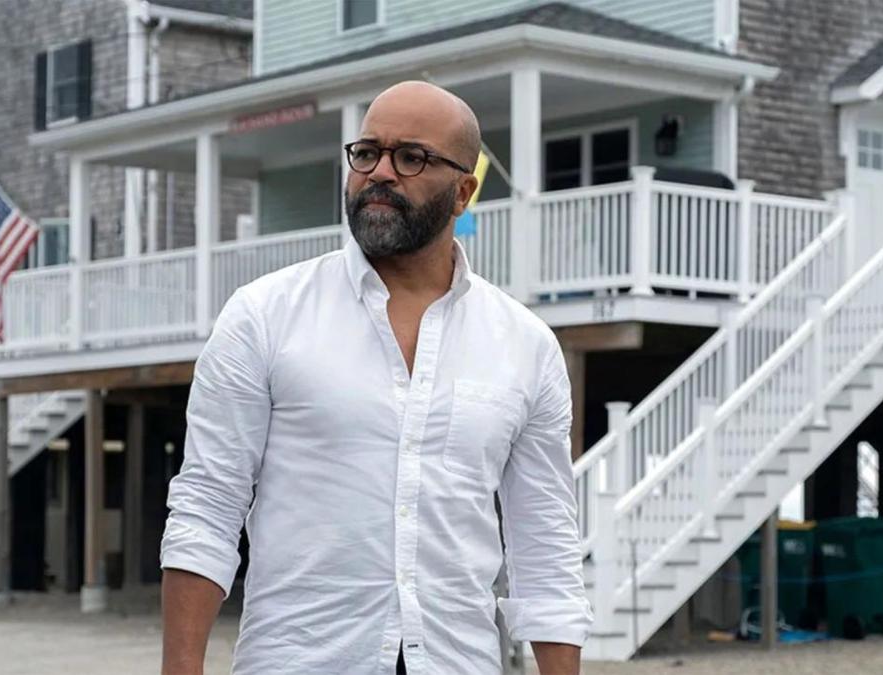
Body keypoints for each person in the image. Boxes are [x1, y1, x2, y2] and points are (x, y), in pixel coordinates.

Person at [160, 81, 592, 675]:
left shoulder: (525, 345)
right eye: (367, 153)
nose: (380, 172)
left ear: (464, 190)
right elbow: (208, 504)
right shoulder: (264, 315)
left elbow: (544, 543)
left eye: (411, 157)